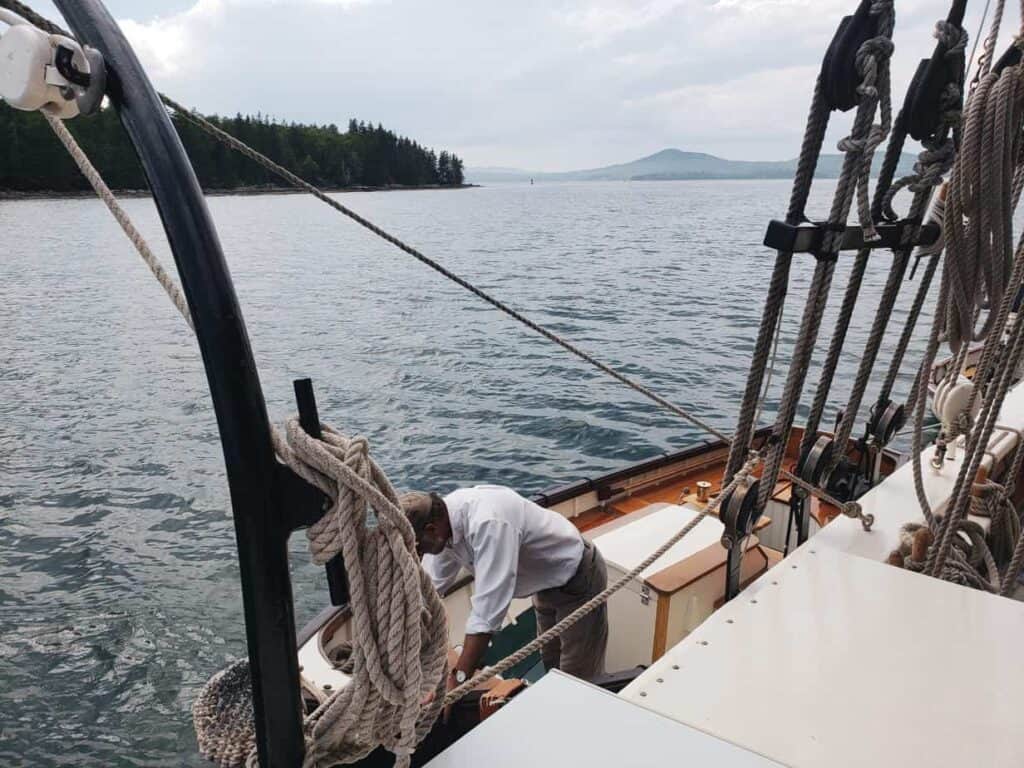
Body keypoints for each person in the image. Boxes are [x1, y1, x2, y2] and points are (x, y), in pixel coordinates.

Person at [400, 484, 608, 693]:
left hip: (577, 577)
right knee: (551, 658)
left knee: (579, 676)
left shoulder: (489, 523)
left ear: (431, 530)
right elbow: (431, 587)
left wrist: (459, 679)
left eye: (418, 548)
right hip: (544, 584)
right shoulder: (445, 526)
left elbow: (486, 616)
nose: (418, 555)